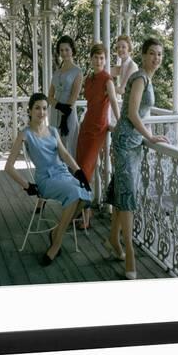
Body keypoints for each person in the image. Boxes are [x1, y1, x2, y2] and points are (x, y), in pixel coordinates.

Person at [5, 93, 92, 266]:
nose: (41, 112)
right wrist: (27, 186)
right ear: (29, 111)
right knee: (76, 194)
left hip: (63, 174)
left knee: (88, 194)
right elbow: (8, 167)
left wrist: (79, 172)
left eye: (44, 108)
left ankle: (56, 233)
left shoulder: (52, 130)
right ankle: (56, 244)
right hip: (46, 179)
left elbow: (65, 154)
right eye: (37, 108)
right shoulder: (25, 134)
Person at [106, 38, 169, 279]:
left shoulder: (146, 77)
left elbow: (138, 112)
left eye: (160, 54)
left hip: (132, 143)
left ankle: (112, 238)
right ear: (143, 55)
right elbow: (132, 113)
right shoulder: (141, 77)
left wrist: (145, 136)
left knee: (121, 189)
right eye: (152, 53)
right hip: (124, 142)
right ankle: (129, 250)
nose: (156, 58)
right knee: (128, 194)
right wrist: (150, 137)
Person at [76, 43, 120, 228]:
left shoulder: (107, 79)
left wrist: (119, 122)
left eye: (102, 58)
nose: (98, 61)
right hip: (85, 126)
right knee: (79, 168)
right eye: (95, 57)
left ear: (105, 59)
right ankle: (84, 212)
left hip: (98, 129)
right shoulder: (89, 78)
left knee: (85, 170)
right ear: (91, 58)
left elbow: (114, 101)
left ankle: (84, 214)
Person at [48, 35, 83, 158]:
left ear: (72, 50)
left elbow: (74, 96)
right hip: (55, 111)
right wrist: (58, 106)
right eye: (61, 50)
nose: (64, 53)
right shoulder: (57, 72)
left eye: (67, 49)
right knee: (54, 143)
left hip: (68, 112)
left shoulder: (77, 72)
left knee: (68, 144)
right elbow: (50, 96)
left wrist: (64, 114)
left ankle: (69, 175)